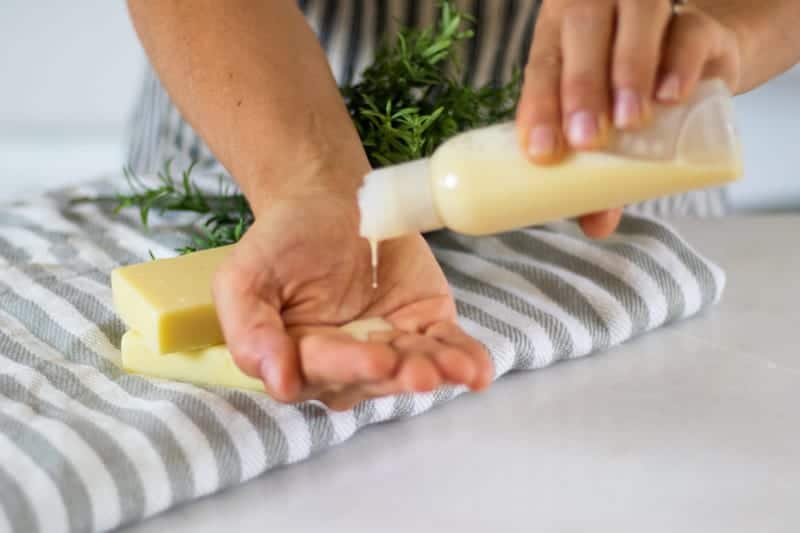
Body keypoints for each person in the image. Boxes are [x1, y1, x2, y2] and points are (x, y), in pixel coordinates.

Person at [125, 0, 799, 410]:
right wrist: (306, 180)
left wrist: (722, 33)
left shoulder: (456, 185)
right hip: (242, 137)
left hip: (637, 195)